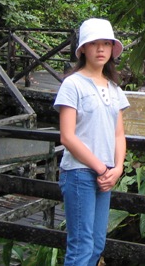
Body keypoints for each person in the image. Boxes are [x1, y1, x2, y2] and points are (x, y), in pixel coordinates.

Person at [55, 18, 128, 266]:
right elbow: (67, 136)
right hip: (79, 173)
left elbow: (119, 134)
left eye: (106, 43)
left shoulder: (115, 88)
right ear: (83, 48)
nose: (100, 49)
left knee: (97, 244)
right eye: (94, 43)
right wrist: (101, 168)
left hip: (105, 175)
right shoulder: (72, 84)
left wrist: (117, 168)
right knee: (81, 246)